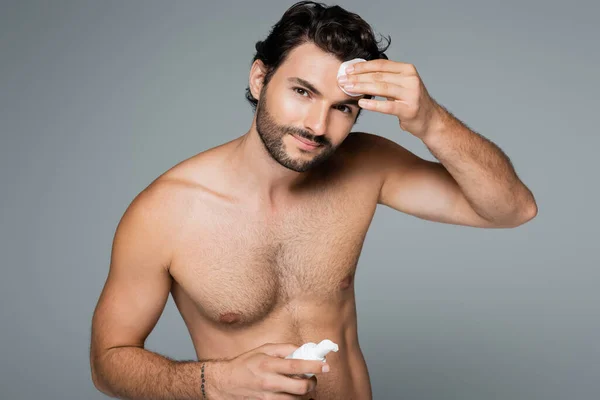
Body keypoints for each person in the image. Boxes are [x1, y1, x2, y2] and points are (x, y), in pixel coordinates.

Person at [89, 1, 537, 399]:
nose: (318, 125)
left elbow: (512, 209)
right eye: (302, 92)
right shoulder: (164, 213)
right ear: (260, 77)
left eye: (342, 107)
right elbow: (108, 363)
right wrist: (215, 383)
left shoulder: (365, 165)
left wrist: (431, 121)